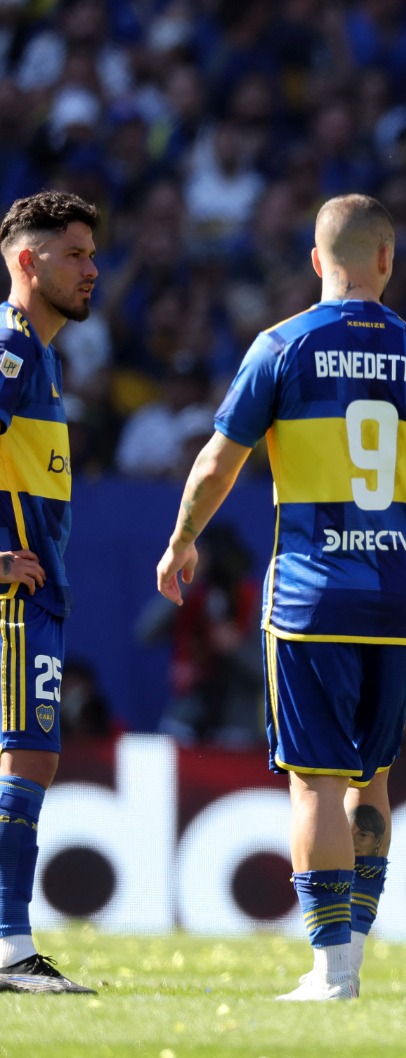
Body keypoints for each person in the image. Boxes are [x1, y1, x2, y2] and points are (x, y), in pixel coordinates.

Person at [155, 194, 406, 1002]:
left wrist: (182, 539)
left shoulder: (282, 346)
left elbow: (218, 462)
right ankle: (354, 960)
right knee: (371, 778)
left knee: (314, 782)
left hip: (311, 595)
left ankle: (330, 968)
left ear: (314, 260)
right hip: (399, 600)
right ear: (388, 259)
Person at [0, 190, 100, 995]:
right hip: (15, 596)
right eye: (74, 255)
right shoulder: (10, 347)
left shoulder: (42, 354)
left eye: (92, 255)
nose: (91, 270)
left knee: (27, 755)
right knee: (29, 753)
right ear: (27, 261)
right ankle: (8, 947)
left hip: (39, 593)